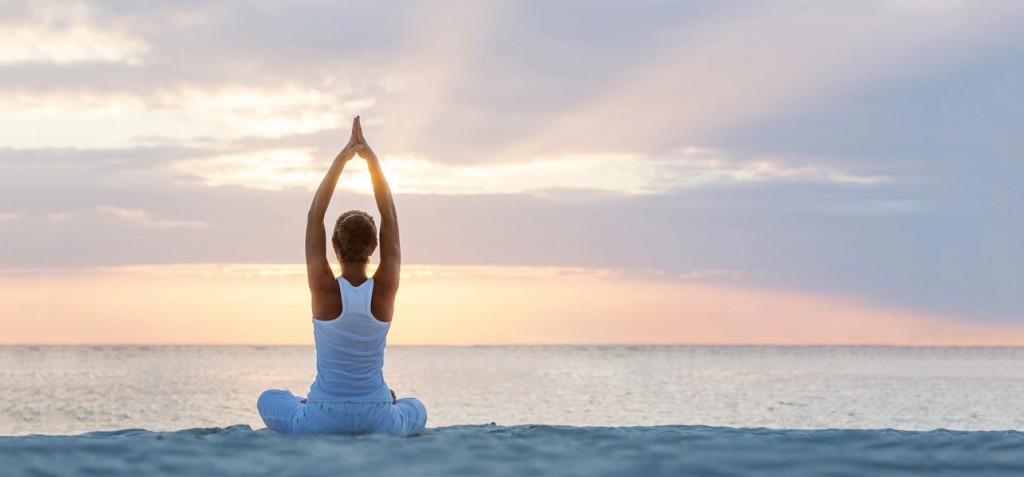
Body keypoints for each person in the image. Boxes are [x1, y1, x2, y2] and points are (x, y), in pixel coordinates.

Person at [256, 116, 427, 437]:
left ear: (333, 245)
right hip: (378, 416)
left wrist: (342, 159)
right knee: (417, 407)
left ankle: (306, 403)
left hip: (322, 416)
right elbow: (389, 213)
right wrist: (371, 161)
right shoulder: (384, 289)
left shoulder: (323, 289)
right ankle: (382, 401)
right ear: (375, 247)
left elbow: (314, 215)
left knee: (269, 398)